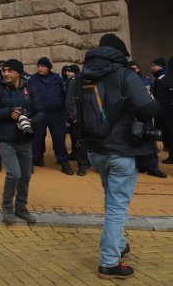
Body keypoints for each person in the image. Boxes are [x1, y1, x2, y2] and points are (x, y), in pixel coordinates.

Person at [67, 34, 159, 279]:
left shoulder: (81, 77)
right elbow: (149, 108)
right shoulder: (124, 75)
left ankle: (118, 245)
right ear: (120, 54)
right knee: (117, 207)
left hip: (96, 151)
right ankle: (109, 261)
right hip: (121, 151)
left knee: (112, 201)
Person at [0, 59, 43, 225]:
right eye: (4, 70)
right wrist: (7, 113)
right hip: (5, 138)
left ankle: (21, 208)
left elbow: (41, 111)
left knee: (25, 176)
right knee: (14, 174)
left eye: (10, 70)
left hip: (25, 138)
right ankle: (7, 206)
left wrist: (31, 121)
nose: (6, 73)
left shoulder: (30, 88)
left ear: (18, 72)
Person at [29, 57, 72, 175]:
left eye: (42, 66)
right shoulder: (32, 79)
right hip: (39, 113)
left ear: (48, 67)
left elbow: (64, 95)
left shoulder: (57, 79)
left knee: (59, 138)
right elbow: (29, 96)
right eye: (38, 66)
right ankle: (35, 160)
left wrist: (64, 111)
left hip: (56, 114)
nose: (40, 68)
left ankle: (63, 162)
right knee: (36, 138)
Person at [63, 65, 91, 176]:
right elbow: (70, 101)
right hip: (80, 116)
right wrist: (73, 116)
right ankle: (82, 165)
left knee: (83, 140)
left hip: (86, 115)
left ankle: (84, 164)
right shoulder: (76, 81)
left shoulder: (78, 79)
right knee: (81, 141)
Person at [151, 57, 173, 164]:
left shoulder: (162, 80)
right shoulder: (163, 79)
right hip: (169, 114)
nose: (152, 68)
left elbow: (160, 101)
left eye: (154, 65)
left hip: (167, 115)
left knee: (169, 136)